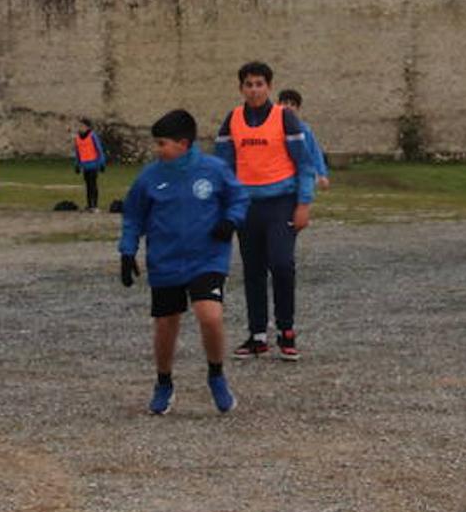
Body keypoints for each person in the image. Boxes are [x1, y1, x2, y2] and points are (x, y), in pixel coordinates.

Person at [120, 110, 249, 415]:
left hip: (207, 258)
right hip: (166, 261)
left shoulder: (213, 169)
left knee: (210, 316)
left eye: (162, 143)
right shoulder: (150, 177)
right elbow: (133, 215)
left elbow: (239, 198)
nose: (157, 149)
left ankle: (216, 375)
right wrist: (127, 251)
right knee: (166, 324)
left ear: (183, 143)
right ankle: (164, 383)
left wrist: (230, 221)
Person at [215, 61, 316, 361]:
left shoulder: (284, 118)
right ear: (241, 88)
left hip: (281, 203)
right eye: (249, 84)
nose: (254, 89)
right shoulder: (232, 120)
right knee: (253, 269)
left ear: (269, 87)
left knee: (282, 263)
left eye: (260, 84)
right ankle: (258, 334)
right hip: (247, 207)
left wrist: (303, 204)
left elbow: (305, 164)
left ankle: (286, 330)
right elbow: (223, 166)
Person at [277, 89, 330, 190]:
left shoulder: (304, 130)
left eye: (292, 104)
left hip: (298, 177)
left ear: (298, 108)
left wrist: (321, 174)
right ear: (278, 105)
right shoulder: (271, 127)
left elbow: (314, 152)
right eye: (285, 103)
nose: (288, 106)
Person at [72, 118, 107, 211]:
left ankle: (95, 205)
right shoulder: (78, 138)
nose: (80, 128)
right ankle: (89, 204)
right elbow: (77, 152)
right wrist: (77, 164)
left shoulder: (92, 136)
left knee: (93, 185)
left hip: (93, 164)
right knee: (87, 185)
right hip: (85, 165)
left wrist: (102, 163)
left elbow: (99, 149)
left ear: (87, 127)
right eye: (79, 126)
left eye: (82, 126)